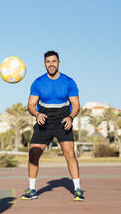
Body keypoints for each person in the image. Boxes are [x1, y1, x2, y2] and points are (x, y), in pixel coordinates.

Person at [21, 50, 84, 201]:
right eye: (48, 62)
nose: (51, 64)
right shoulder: (38, 82)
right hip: (44, 119)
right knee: (33, 153)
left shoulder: (69, 82)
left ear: (59, 63)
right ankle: (32, 190)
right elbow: (30, 105)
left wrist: (70, 117)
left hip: (63, 119)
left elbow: (76, 105)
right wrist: (37, 114)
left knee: (70, 154)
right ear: (45, 64)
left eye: (54, 61)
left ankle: (78, 189)